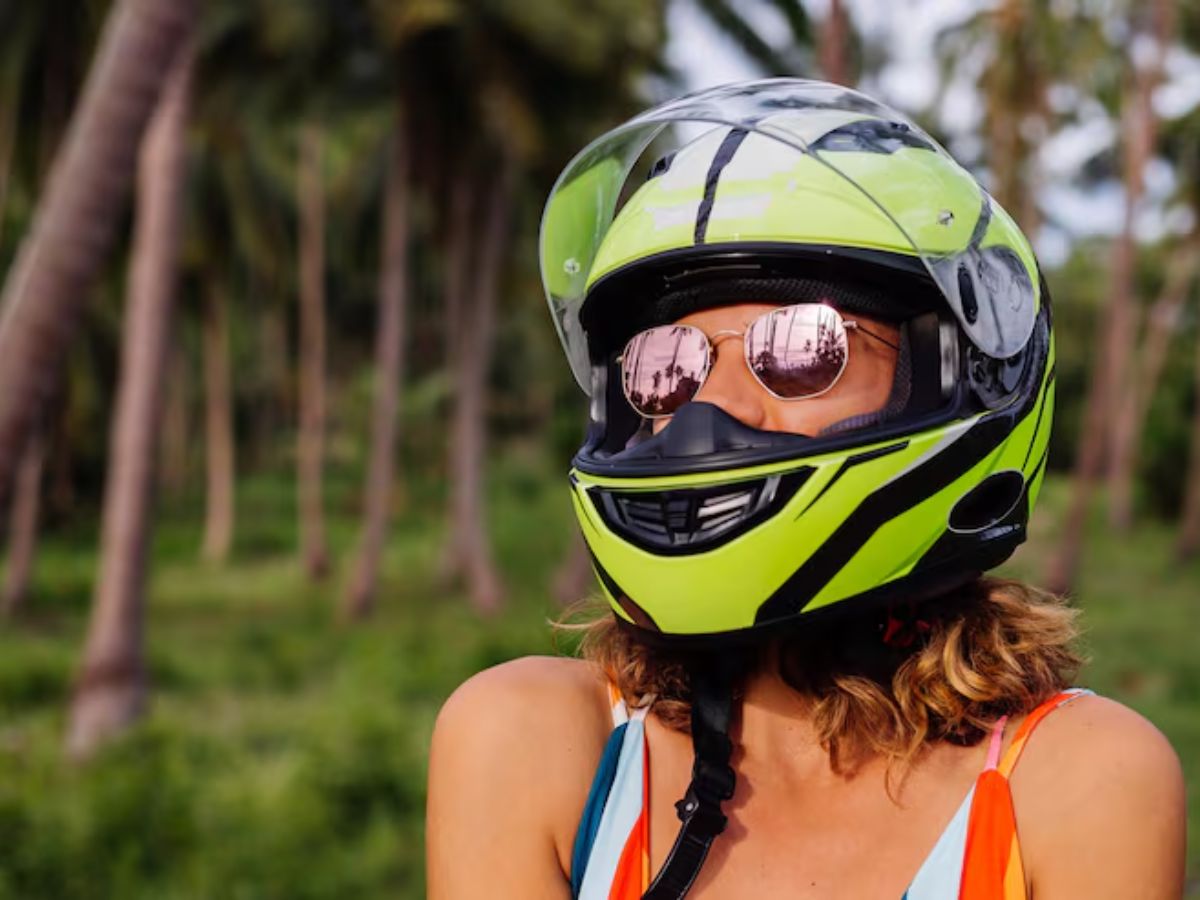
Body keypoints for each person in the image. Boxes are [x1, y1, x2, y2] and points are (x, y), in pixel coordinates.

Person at [426, 79, 1186, 899]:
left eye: (800, 348)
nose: (709, 409)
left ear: (947, 375)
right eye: (663, 366)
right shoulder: (537, 743)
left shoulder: (1079, 782)